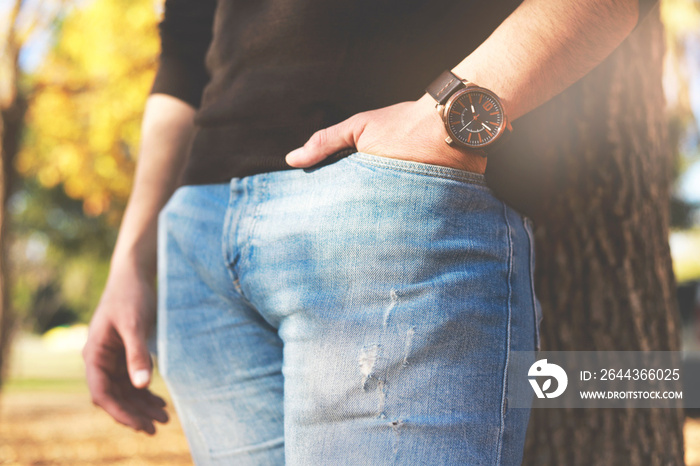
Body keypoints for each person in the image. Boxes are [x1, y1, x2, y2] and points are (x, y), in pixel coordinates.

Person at [82, 0, 654, 464]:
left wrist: (444, 120)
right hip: (201, 236)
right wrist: (132, 258)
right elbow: (184, 47)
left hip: (386, 211)